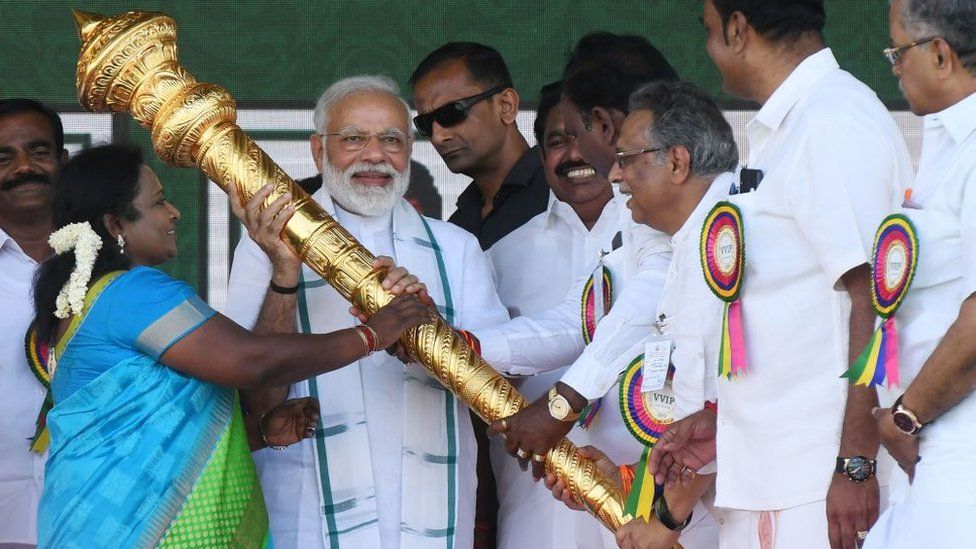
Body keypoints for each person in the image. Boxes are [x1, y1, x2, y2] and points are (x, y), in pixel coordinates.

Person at [32, 144, 432, 547]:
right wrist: (371, 335)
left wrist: (255, 434)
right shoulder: (132, 292)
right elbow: (250, 361)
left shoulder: (92, 298)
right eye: (158, 203)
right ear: (116, 224)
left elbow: (152, 423)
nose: (174, 212)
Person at [649, 2, 913, 548]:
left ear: (739, 28)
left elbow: (876, 299)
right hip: (776, 476)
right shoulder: (794, 122)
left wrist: (856, 463)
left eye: (708, 29)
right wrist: (725, 428)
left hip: (818, 485)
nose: (706, 46)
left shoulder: (831, 120)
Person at [224, 75, 510, 549]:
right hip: (305, 504)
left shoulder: (455, 249)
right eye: (354, 138)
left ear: (410, 151)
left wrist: (430, 328)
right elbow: (250, 388)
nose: (375, 156)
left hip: (430, 511)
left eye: (391, 140)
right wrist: (285, 271)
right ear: (318, 151)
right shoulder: (264, 246)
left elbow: (497, 385)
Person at [548, 80, 737, 549]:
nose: (614, 174)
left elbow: (727, 411)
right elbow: (708, 431)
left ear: (677, 162)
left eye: (627, 158)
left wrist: (664, 522)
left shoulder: (728, 241)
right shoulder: (691, 246)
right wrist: (632, 481)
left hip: (790, 500)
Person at [484, 81, 619, 548]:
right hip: (537, 513)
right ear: (541, 157)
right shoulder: (501, 256)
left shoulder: (666, 239)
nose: (574, 154)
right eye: (558, 142)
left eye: (587, 135)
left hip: (653, 505)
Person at [864, 1, 976, 547]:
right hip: (931, 461)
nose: (894, 65)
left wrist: (905, 416)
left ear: (940, 54)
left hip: (962, 462)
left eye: (897, 51)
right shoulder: (944, 147)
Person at [0, 98, 65, 549]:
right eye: (3, 158)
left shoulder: (113, 265)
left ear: (62, 161)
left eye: (38, 152)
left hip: (96, 515)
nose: (24, 168)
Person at [410, 42, 549, 251]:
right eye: (425, 124)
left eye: (451, 113)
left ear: (506, 106)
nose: (438, 136)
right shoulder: (458, 226)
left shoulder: (562, 194)